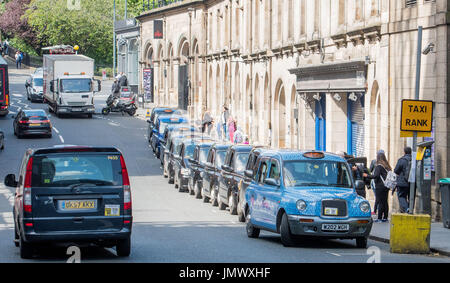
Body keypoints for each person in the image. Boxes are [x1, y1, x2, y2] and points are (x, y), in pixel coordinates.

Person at [364, 151, 392, 223]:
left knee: (380, 202)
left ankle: (379, 217)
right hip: (386, 186)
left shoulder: (379, 166)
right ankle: (385, 217)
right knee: (385, 202)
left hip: (380, 186)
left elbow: (375, 176)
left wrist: (367, 176)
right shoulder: (387, 166)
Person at [394, 147, 412, 213]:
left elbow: (396, 170)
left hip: (402, 182)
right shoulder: (414, 160)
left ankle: (407, 208)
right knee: (411, 197)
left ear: (404, 152)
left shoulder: (401, 160)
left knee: (401, 196)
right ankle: (410, 209)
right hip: (412, 183)